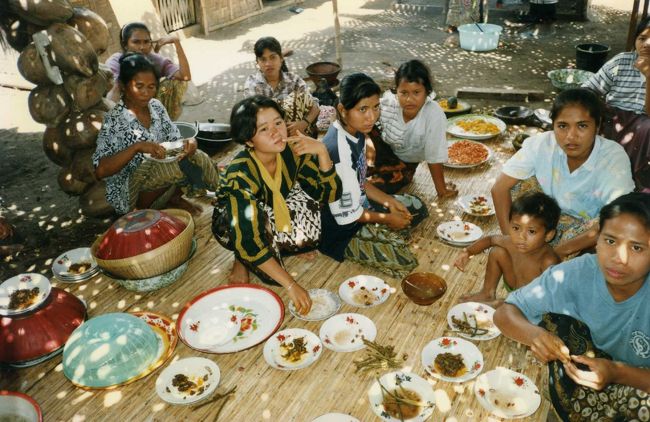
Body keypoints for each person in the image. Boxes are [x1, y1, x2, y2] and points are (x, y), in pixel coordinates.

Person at [494, 192, 650, 421]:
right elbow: (505, 312)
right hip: (598, 368)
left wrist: (617, 373)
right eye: (610, 241)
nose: (619, 258)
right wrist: (536, 335)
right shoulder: (579, 272)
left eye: (637, 248)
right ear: (596, 239)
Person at [211, 95, 341, 315]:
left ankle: (278, 244)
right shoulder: (239, 175)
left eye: (278, 123)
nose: (275, 132)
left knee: (311, 217)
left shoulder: (292, 151)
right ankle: (240, 258)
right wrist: (291, 284)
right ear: (248, 141)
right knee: (267, 271)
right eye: (263, 129)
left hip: (271, 206)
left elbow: (328, 194)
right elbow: (250, 239)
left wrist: (321, 150)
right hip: (232, 223)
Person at [491, 88, 635, 260]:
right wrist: (511, 242)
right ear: (553, 125)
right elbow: (499, 189)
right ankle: (527, 245)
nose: (571, 136)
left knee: (614, 225)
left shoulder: (613, 157)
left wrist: (558, 253)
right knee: (515, 184)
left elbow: (618, 219)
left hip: (585, 228)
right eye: (562, 126)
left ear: (597, 125)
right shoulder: (542, 144)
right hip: (545, 216)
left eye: (582, 126)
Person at [319, 72, 428, 278]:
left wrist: (388, 201)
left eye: (375, 107)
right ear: (343, 110)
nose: (372, 116)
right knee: (404, 261)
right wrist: (387, 219)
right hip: (341, 230)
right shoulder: (338, 150)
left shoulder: (356, 130)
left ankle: (382, 231)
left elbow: (360, 182)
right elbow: (348, 215)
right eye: (363, 109)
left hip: (361, 209)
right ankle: (378, 235)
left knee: (416, 207)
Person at [93, 53, 219, 216]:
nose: (146, 92)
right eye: (139, 86)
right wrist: (136, 147)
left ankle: (226, 194)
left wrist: (190, 143)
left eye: (151, 87)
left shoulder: (156, 106)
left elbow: (174, 139)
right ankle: (144, 213)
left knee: (197, 156)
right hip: (130, 193)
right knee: (175, 167)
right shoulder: (115, 120)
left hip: (158, 178)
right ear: (124, 85)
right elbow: (101, 171)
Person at [454, 191, 560, 307]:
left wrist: (510, 304)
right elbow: (490, 240)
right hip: (513, 284)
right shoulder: (511, 242)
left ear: (549, 235)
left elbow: (550, 297)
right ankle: (487, 293)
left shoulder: (548, 261)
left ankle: (504, 304)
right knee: (497, 252)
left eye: (531, 231)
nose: (521, 236)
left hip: (530, 302)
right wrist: (467, 252)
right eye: (516, 228)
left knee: (503, 308)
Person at [369, 59, 457, 197]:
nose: (409, 99)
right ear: (396, 91)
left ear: (427, 92)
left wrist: (442, 190)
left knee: (377, 187)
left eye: (416, 92)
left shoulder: (433, 114)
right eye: (403, 93)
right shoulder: (388, 104)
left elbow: (434, 155)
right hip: (381, 153)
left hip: (405, 164)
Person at [582, 17, 650, 192]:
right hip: (612, 118)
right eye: (642, 38)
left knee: (647, 128)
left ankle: (631, 179)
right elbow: (589, 89)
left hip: (643, 126)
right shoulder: (622, 61)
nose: (646, 44)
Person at [106, 22, 191, 120]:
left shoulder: (154, 59)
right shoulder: (115, 62)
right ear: (125, 45)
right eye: (136, 42)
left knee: (176, 82)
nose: (142, 47)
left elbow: (185, 76)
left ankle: (164, 121)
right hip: (125, 110)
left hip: (148, 107)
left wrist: (176, 42)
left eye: (146, 42)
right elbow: (114, 93)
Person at [243, 36, 320, 137]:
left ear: (281, 58)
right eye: (263, 59)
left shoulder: (294, 80)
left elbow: (315, 105)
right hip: (269, 138)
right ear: (257, 62)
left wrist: (303, 123)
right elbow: (254, 119)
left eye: (273, 57)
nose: (268, 64)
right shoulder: (252, 85)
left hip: (297, 135)